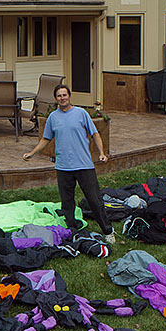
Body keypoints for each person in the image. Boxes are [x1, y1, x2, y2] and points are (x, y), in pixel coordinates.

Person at [23, 84, 115, 244]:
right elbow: (46, 138)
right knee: (67, 202)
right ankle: (72, 229)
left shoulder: (81, 113)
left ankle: (107, 230)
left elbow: (95, 134)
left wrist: (102, 153)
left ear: (69, 96)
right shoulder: (53, 117)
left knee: (94, 199)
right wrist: (32, 152)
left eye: (64, 95)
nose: (62, 98)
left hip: (84, 165)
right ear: (56, 99)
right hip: (63, 167)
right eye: (59, 96)